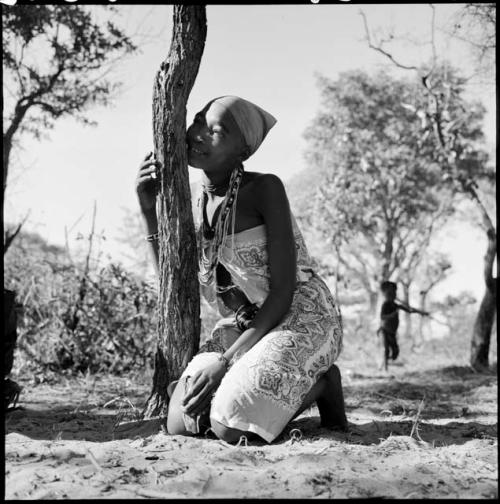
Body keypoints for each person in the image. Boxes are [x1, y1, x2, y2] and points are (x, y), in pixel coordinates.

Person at [136, 95, 347, 444]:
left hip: (298, 315)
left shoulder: (265, 188)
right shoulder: (191, 199)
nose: (199, 133)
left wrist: (226, 361)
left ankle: (324, 384)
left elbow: (282, 294)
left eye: (216, 130)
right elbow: (176, 285)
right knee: (182, 422)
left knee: (230, 427)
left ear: (242, 151)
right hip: (245, 323)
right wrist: (148, 208)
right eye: (199, 120)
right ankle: (262, 394)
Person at [378, 281, 429, 371]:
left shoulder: (396, 305)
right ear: (386, 294)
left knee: (395, 353)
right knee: (386, 350)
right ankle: (385, 369)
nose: (393, 295)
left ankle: (383, 363)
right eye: (390, 293)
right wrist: (392, 314)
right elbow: (382, 317)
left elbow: (410, 310)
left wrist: (422, 313)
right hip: (384, 330)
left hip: (392, 332)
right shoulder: (385, 305)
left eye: (394, 293)